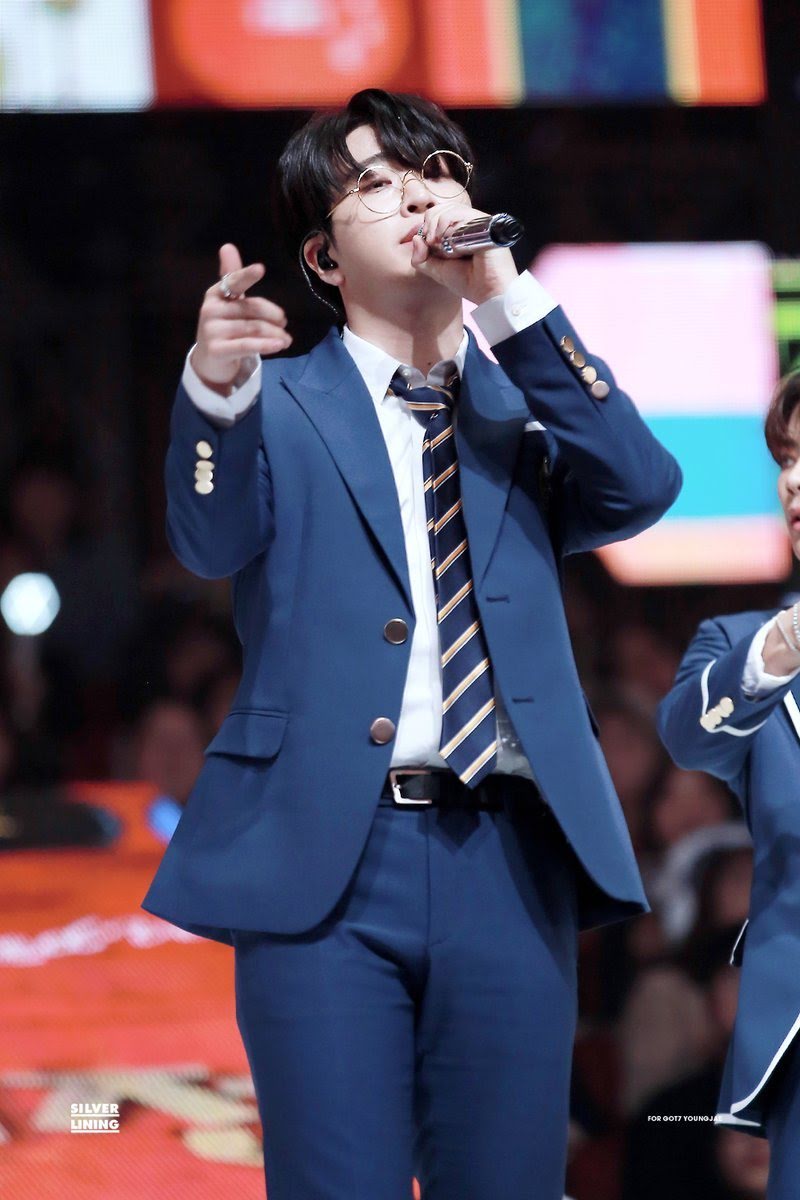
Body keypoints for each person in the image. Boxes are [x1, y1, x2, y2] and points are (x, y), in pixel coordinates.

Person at [142, 88, 681, 1200]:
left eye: (435, 171)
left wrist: (507, 303)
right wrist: (212, 390)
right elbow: (208, 539)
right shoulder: (273, 405)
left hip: (510, 856)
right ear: (322, 258)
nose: (417, 196)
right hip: (326, 864)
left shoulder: (523, 415)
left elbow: (638, 487)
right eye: (375, 184)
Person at [657, 368, 800, 1199]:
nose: (794, 480)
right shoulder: (742, 643)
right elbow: (687, 736)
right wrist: (778, 650)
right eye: (787, 459)